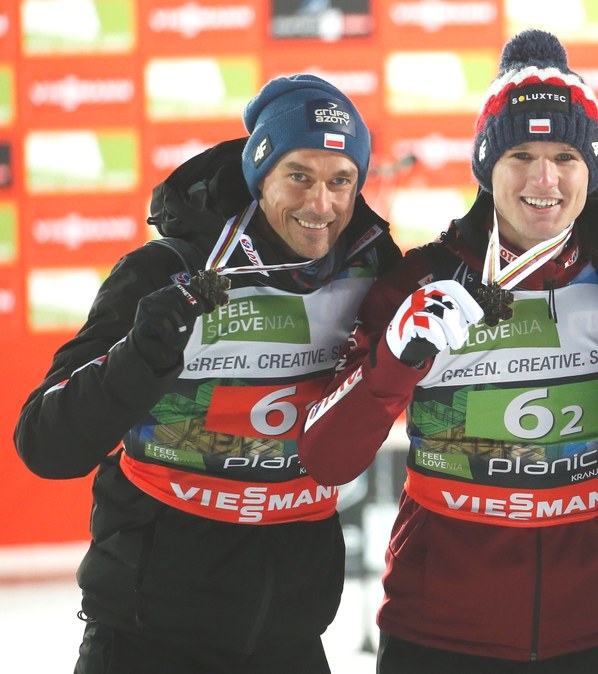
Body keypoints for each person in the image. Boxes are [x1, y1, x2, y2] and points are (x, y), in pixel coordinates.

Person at [13, 74, 401, 673]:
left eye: (340, 179)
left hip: (289, 638)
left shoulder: (371, 273)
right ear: (259, 172)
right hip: (147, 638)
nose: (320, 204)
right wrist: (142, 357)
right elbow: (46, 443)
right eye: (298, 175)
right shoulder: (166, 268)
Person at [298, 30, 598, 673]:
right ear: (488, 165)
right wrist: (393, 360)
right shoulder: (420, 280)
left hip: (591, 634)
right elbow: (324, 457)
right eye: (521, 153)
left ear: (591, 171)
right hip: (436, 637)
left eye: (565, 157)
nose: (544, 179)